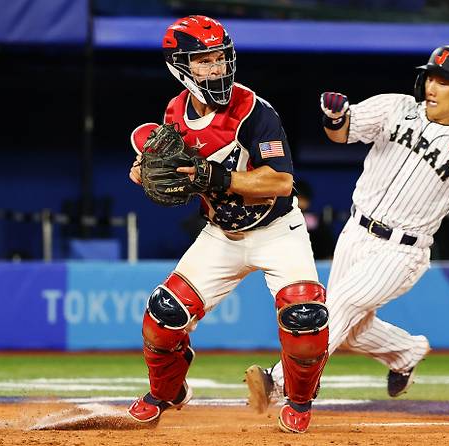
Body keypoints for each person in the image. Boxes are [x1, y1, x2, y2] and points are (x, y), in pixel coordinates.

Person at [245, 45, 449, 410]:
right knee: (351, 330)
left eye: (446, 81)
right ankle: (406, 351)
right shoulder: (396, 107)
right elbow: (342, 132)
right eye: (432, 76)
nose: (433, 86)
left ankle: (279, 384)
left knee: (337, 305)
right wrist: (334, 116)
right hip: (355, 232)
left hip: (403, 249)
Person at [126, 15, 329, 434]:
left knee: (305, 315)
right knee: (162, 317)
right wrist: (147, 170)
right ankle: (168, 392)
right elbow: (174, 169)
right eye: (204, 60)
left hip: (277, 230)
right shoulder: (174, 113)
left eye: (221, 57)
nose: (217, 68)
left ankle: (301, 400)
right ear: (180, 66)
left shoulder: (255, 111)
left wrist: (214, 177)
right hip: (221, 233)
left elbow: (280, 182)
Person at [294, 179, 336, 259]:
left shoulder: (316, 222)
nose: (301, 202)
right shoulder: (282, 218)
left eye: (304, 199)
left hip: (316, 261)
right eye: (298, 198)